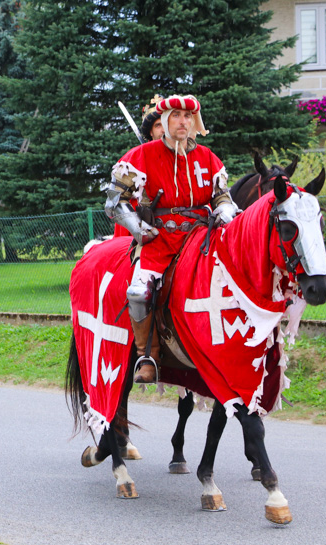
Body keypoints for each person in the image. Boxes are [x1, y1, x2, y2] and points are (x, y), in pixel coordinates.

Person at [105, 94, 238, 383]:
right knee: (139, 292)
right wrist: (139, 229)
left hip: (200, 237)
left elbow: (223, 197)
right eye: (176, 116)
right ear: (165, 121)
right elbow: (114, 202)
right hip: (159, 239)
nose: (183, 121)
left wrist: (227, 214)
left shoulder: (208, 158)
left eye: (188, 117)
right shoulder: (141, 156)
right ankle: (147, 355)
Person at [113, 95, 166, 239]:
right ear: (150, 132)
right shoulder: (134, 159)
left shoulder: (186, 156)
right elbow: (117, 199)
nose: (163, 130)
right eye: (158, 125)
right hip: (143, 228)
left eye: (166, 124)